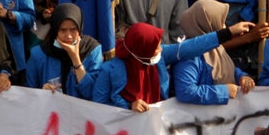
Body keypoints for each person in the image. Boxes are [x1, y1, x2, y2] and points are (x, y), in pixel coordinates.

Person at [91, 20, 249, 110]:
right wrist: (128, 106)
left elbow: (192, 46)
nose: (160, 49)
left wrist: (228, 32)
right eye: (156, 47)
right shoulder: (109, 70)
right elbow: (100, 107)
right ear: (142, 50)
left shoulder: (160, 56)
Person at [172, 0, 261, 105]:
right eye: (221, 21)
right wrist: (223, 91)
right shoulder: (189, 57)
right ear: (207, 24)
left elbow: (226, 69)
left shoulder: (216, 48)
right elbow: (186, 92)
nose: (224, 26)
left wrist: (242, 77)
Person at [24, 4, 103, 99]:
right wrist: (41, 92)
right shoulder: (39, 54)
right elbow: (28, 94)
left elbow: (94, 93)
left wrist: (75, 59)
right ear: (55, 30)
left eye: (73, 29)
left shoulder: (92, 50)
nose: (68, 36)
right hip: (51, 111)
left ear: (80, 28)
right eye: (63, 30)